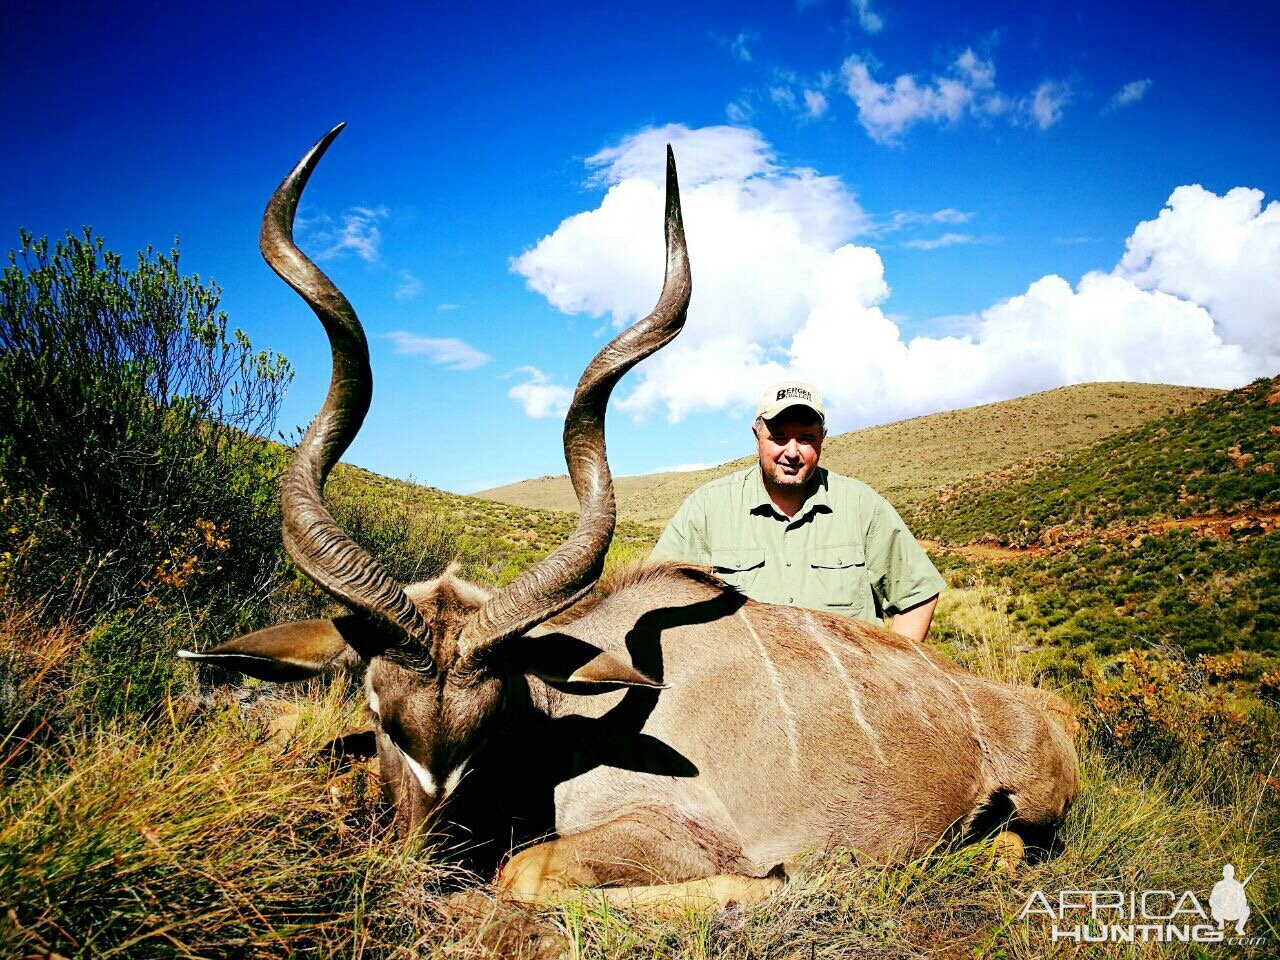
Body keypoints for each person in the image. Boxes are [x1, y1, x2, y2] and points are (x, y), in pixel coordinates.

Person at [650, 381, 945, 641]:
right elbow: (655, 596)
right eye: (778, 437)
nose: (792, 452)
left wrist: (890, 678)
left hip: (846, 695)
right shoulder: (706, 509)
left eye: (805, 438)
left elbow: (916, 596)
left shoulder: (862, 506)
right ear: (756, 437)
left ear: (822, 438)